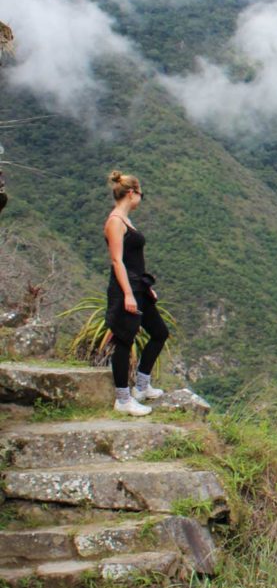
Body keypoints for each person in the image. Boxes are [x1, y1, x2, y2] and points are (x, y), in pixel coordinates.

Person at [104, 170, 168, 415]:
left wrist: (145, 288)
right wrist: (128, 294)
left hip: (139, 287)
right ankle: (123, 398)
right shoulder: (115, 222)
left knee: (160, 333)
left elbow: (133, 259)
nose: (141, 198)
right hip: (125, 290)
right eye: (141, 194)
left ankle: (141, 385)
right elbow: (117, 261)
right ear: (131, 193)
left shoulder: (127, 221)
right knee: (124, 340)